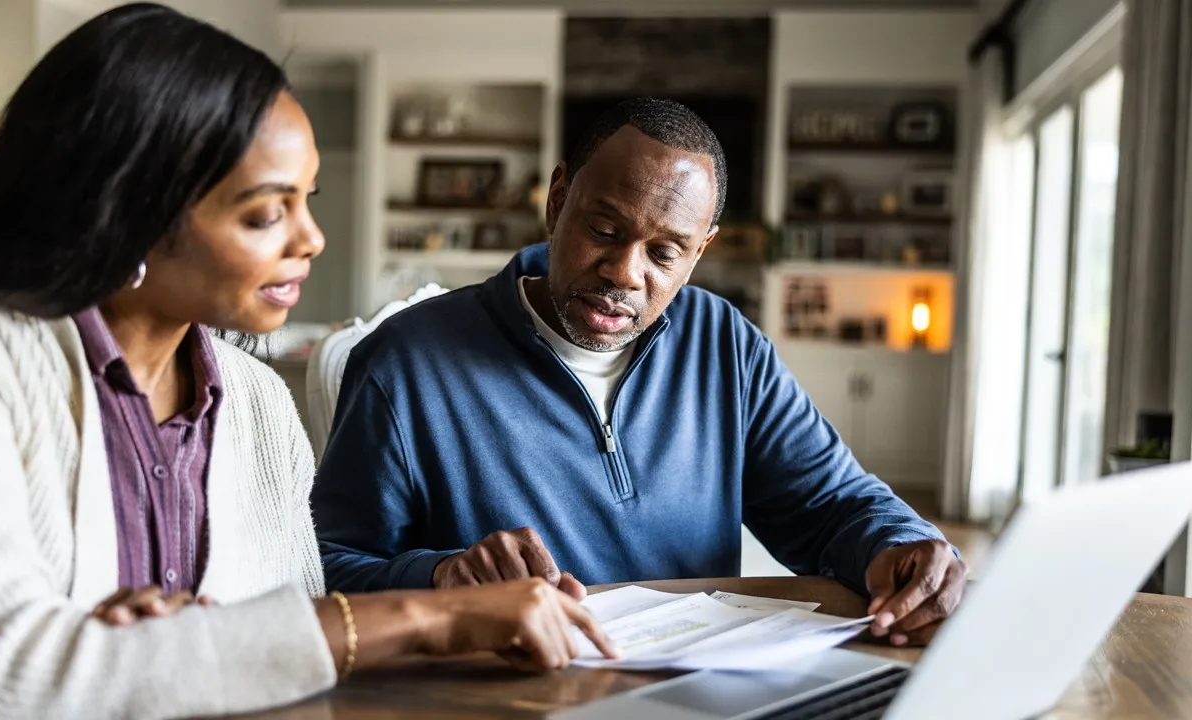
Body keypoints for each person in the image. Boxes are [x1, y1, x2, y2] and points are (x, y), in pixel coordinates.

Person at [0, 5, 614, 719]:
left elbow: (296, 650)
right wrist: (437, 618)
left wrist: (172, 648)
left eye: (308, 200)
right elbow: (0, 674)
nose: (312, 239)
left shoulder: (260, 407)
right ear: (128, 212)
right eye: (267, 212)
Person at [314, 98, 968, 647]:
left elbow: (828, 502)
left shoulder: (725, 344)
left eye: (665, 251)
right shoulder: (407, 362)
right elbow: (328, 568)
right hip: (513, 693)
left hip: (697, 690)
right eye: (604, 229)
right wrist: (442, 579)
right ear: (558, 199)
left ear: (700, 250)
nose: (627, 273)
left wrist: (902, 545)